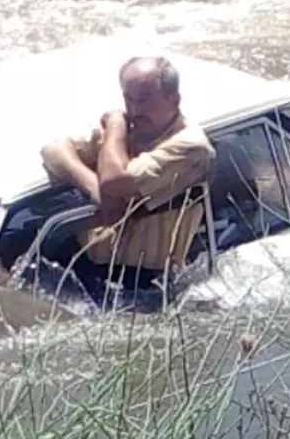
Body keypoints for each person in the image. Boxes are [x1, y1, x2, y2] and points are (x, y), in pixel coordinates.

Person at [39, 56, 216, 296]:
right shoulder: (127, 134)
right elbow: (54, 150)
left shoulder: (191, 146)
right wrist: (95, 189)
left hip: (144, 287)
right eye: (128, 99)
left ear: (174, 100)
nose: (134, 110)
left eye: (144, 100)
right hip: (86, 270)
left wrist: (114, 128)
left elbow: (115, 182)